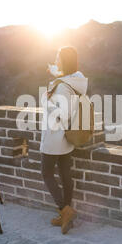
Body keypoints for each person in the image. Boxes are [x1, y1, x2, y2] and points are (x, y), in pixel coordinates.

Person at [40, 46, 88, 234]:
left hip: (54, 137)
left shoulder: (61, 86)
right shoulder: (75, 81)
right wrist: (55, 73)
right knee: (65, 175)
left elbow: (64, 114)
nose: (56, 59)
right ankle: (65, 216)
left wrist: (46, 101)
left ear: (64, 61)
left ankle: (65, 210)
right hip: (66, 138)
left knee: (46, 173)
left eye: (58, 57)